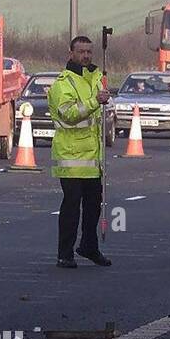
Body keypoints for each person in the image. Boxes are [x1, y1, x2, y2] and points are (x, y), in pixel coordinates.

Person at [48, 36, 113, 269]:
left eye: (89, 52)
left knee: (94, 206)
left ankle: (89, 246)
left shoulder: (96, 78)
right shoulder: (63, 83)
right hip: (71, 156)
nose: (86, 56)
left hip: (93, 157)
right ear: (71, 53)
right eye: (81, 51)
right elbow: (69, 114)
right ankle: (64, 253)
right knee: (72, 206)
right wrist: (96, 101)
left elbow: (102, 112)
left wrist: (106, 103)